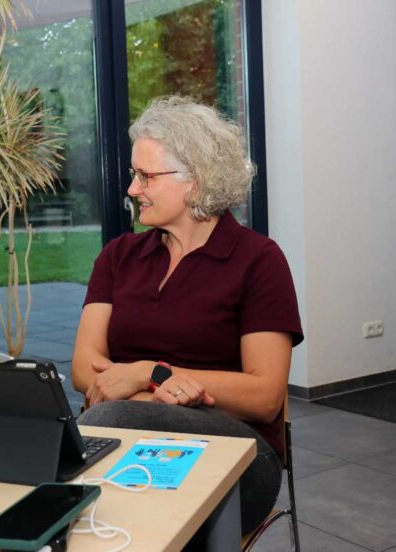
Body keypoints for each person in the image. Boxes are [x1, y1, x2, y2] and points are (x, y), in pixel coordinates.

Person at [72, 97, 303, 536]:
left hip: (237, 453)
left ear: (194, 183)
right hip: (131, 436)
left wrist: (148, 374)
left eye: (145, 176)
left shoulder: (258, 260)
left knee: (102, 426)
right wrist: (148, 394)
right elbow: (86, 370)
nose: (132, 189)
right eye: (133, 175)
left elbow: (264, 396)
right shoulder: (118, 256)